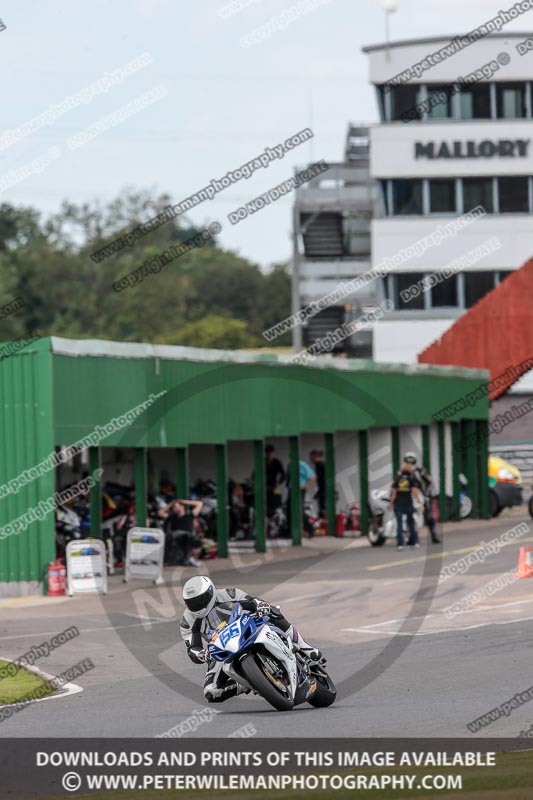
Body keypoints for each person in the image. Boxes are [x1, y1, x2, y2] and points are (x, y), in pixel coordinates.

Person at [180, 575, 321, 703]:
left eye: (199, 600)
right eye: (191, 603)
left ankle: (303, 645)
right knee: (211, 692)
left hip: (244, 626)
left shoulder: (227, 594)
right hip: (220, 649)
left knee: (272, 612)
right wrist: (201, 654)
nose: (196, 606)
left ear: (210, 593)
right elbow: (192, 647)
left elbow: (252, 601)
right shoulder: (188, 620)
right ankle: (248, 683)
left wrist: (261, 605)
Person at [403, 451, 441, 544]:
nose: (410, 463)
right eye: (408, 461)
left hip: (421, 497)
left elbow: (430, 482)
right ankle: (412, 537)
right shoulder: (402, 472)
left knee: (428, 516)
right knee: (410, 517)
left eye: (411, 461)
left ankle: (434, 534)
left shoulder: (420, 470)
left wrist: (426, 494)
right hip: (408, 497)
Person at [389, 461, 423, 551]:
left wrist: (390, 504)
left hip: (398, 504)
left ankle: (400, 544)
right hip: (408, 504)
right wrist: (420, 503)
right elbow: (415, 492)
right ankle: (414, 542)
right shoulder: (411, 479)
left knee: (399, 524)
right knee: (411, 524)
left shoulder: (397, 479)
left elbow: (394, 494)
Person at [161, 498, 203, 566]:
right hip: (176, 537)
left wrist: (185, 502)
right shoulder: (172, 517)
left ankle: (188, 558)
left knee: (187, 537)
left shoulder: (190, 515)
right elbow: (160, 512)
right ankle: (183, 559)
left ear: (181, 506)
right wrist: (171, 503)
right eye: (173, 507)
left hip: (188, 538)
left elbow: (200, 504)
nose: (173, 508)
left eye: (175, 506)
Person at [286, 459, 316, 538]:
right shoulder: (290, 464)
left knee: (299, 510)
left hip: (299, 490)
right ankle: (290, 532)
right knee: (289, 510)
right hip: (291, 489)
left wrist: (305, 486)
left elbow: (312, 477)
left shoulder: (302, 465)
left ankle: (310, 529)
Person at [265, 444, 285, 518]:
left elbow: (283, 474)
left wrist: (278, 483)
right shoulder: (264, 461)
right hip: (265, 485)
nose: (270, 455)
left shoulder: (277, 462)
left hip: (273, 485)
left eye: (271, 453)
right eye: (268, 453)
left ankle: (274, 516)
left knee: (274, 501)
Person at [310, 449, 326, 517]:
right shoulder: (319, 464)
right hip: (323, 489)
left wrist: (321, 491)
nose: (310, 460)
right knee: (322, 508)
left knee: (323, 509)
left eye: (311, 457)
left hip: (324, 490)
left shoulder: (320, 464)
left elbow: (323, 479)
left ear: (314, 456)